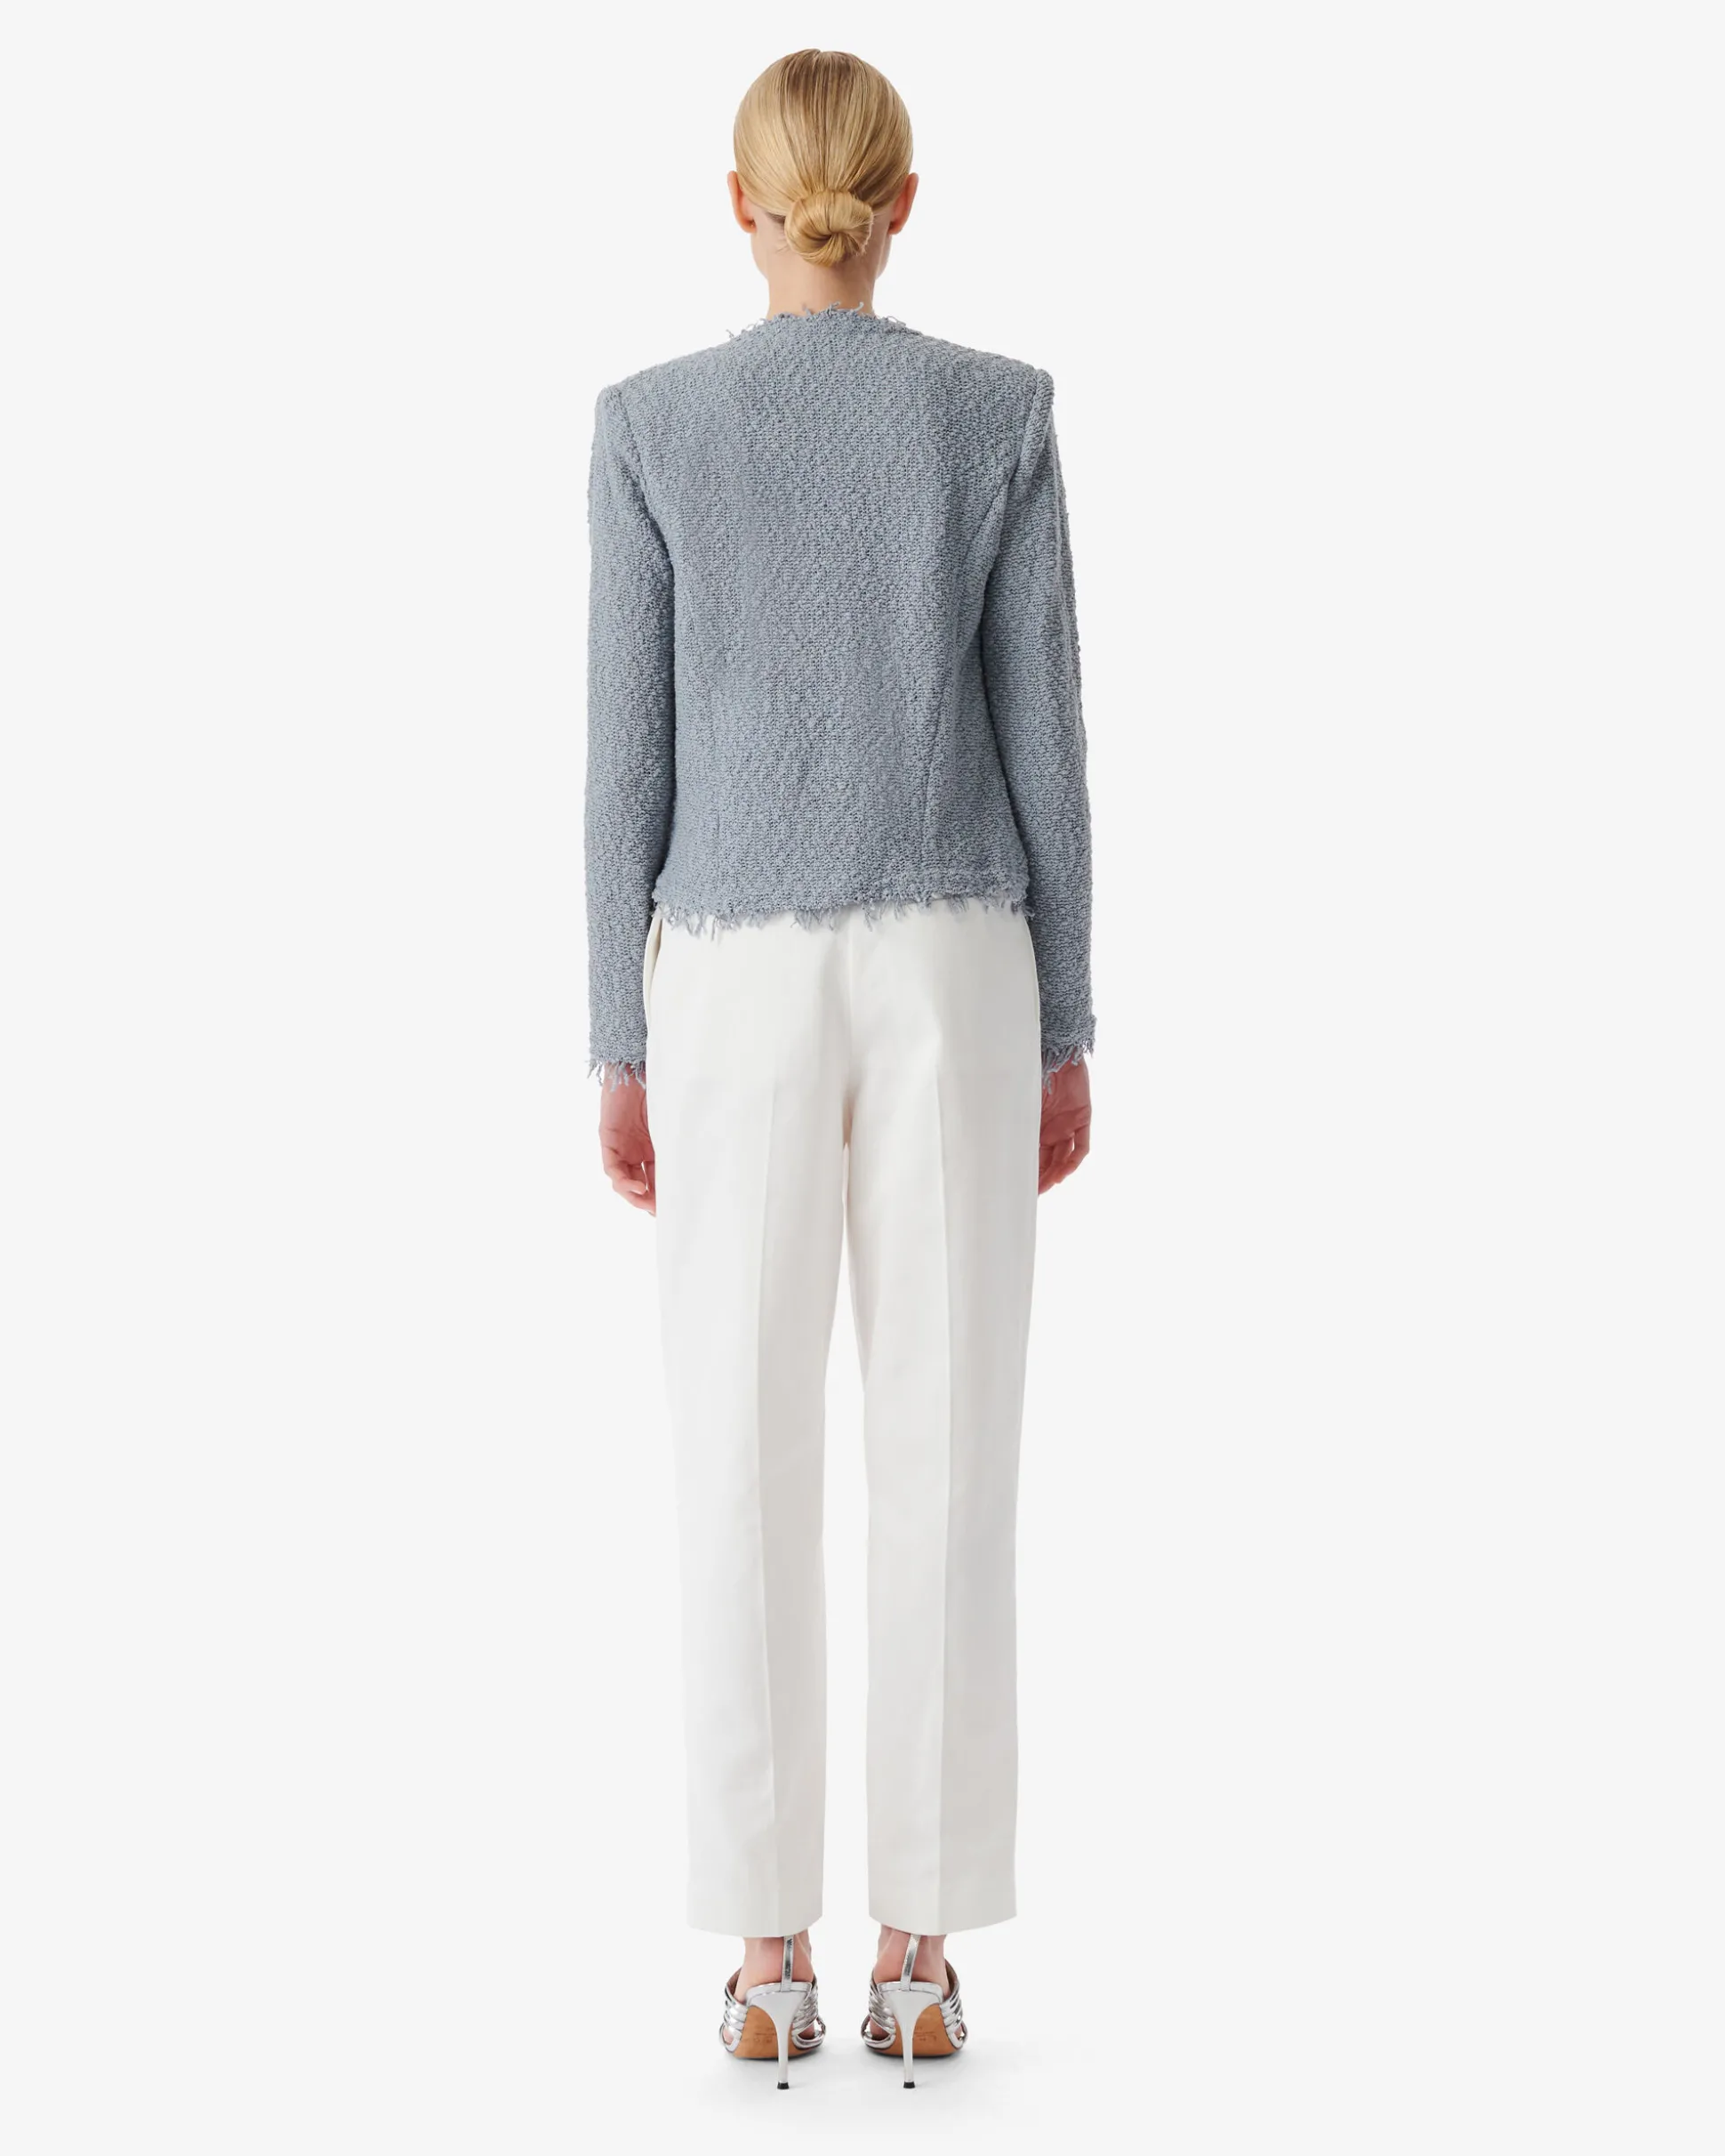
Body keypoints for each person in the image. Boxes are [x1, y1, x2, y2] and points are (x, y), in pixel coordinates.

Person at [585, 48, 1094, 2088]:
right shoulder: (996, 415)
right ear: (903, 203)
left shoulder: (651, 426)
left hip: (725, 978)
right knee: (949, 1446)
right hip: (959, 959)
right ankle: (922, 1956)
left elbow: (622, 765)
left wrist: (614, 1035)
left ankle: (765, 1955)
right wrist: (1068, 1019)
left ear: (742, 203)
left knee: (736, 1441)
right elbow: (1047, 743)